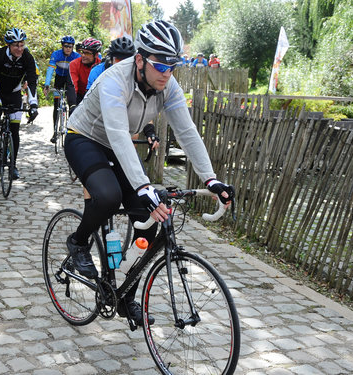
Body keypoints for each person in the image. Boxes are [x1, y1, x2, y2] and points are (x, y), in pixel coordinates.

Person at [64, 20, 235, 326]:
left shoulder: (167, 85)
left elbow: (188, 132)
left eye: (173, 65)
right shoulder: (115, 79)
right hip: (85, 138)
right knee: (107, 196)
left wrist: (211, 179)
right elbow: (117, 133)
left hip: (119, 147)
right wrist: (144, 186)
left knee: (149, 222)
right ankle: (78, 242)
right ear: (140, 60)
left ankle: (126, 294)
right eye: (160, 65)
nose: (167, 73)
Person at [0, 27, 39, 180]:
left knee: (15, 130)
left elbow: (32, 82)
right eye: (16, 45)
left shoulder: (28, 58)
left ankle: (13, 165)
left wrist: (33, 104)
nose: (20, 48)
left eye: (22, 44)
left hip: (15, 93)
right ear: (8, 45)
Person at [43, 36, 80, 143]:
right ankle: (55, 132)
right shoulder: (56, 54)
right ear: (62, 46)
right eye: (66, 46)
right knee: (56, 104)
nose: (68, 48)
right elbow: (50, 70)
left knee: (71, 104)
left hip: (70, 79)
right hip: (59, 79)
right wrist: (47, 84)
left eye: (70, 46)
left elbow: (77, 74)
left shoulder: (76, 56)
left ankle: (70, 131)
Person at [67, 37, 102, 109]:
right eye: (82, 52)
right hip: (79, 95)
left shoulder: (101, 65)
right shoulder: (74, 64)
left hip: (95, 96)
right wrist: (72, 105)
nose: (83, 55)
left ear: (96, 55)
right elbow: (73, 86)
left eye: (87, 53)